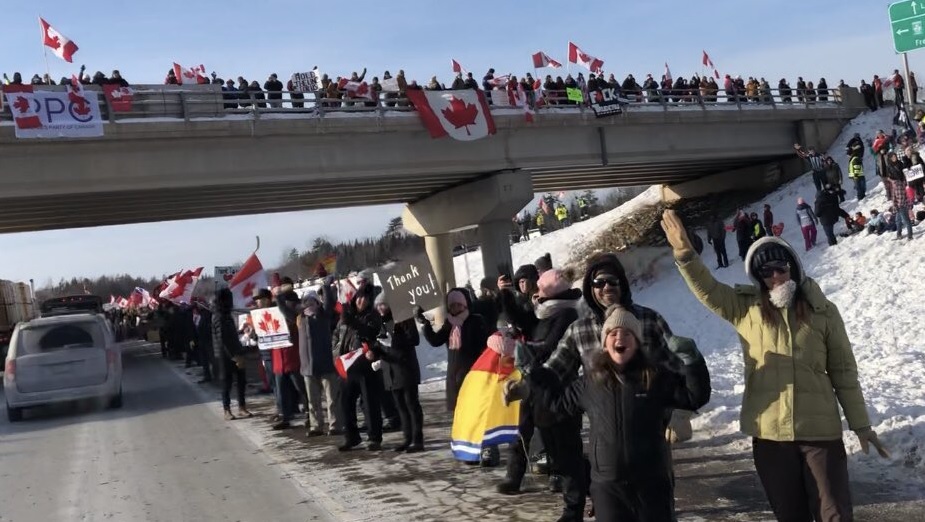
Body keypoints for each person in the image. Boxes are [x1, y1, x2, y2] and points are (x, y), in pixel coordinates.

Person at [661, 210, 889, 522]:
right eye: (766, 272)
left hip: (820, 434)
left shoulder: (822, 311)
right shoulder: (745, 309)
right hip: (770, 436)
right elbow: (708, 289)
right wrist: (686, 256)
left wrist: (861, 425)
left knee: (834, 513)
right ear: (758, 277)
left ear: (793, 266)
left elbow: (844, 373)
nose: (776, 276)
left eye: (781, 267)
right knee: (789, 515)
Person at [506, 306, 710, 522]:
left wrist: (692, 360)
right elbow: (554, 406)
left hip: (652, 482)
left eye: (627, 333)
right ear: (605, 344)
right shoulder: (589, 383)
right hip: (608, 488)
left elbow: (694, 396)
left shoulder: (655, 378)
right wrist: (532, 374)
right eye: (613, 333)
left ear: (638, 343)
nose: (619, 337)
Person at [497, 269, 587, 522]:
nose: (536, 294)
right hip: (535, 384)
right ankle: (515, 476)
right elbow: (518, 318)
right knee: (526, 432)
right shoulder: (542, 313)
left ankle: (577, 503)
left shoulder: (566, 314)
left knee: (566, 451)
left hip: (560, 390)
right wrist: (505, 294)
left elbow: (550, 346)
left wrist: (522, 349)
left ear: (551, 294)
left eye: (540, 290)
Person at [334, 283, 384, 451]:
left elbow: (371, 333)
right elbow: (338, 337)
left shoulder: (373, 316)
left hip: (366, 367)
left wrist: (353, 321)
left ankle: (374, 438)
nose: (361, 301)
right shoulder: (348, 315)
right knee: (344, 402)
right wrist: (335, 352)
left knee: (370, 404)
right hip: (348, 365)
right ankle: (351, 437)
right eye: (359, 297)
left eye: (365, 298)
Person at [373, 294, 424, 453]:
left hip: (405, 368)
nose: (381, 308)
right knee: (400, 406)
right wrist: (375, 353)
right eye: (378, 305)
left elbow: (414, 339)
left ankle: (417, 440)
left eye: (383, 304)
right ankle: (407, 438)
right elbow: (380, 344)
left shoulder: (403, 317)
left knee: (411, 404)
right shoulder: (380, 322)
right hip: (390, 370)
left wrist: (394, 341)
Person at [297, 288, 342, 436]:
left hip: (326, 365)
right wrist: (279, 297)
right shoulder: (300, 319)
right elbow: (285, 310)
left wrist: (326, 287)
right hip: (308, 368)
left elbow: (329, 303)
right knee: (312, 400)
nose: (309, 304)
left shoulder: (323, 315)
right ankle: (316, 426)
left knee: (332, 398)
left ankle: (335, 425)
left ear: (318, 303)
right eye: (306, 302)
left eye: (312, 301)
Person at [212, 288, 252, 421]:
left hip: (236, 350)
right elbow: (223, 339)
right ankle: (227, 410)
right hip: (225, 355)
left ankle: (242, 407)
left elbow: (231, 335)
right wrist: (234, 357)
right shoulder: (218, 316)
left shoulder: (227, 314)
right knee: (226, 383)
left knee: (241, 381)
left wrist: (241, 332)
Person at [191, 303, 213, 383]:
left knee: (209, 358)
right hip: (202, 340)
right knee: (205, 359)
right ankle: (207, 375)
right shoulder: (200, 315)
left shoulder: (206, 314)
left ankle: (210, 375)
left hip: (206, 340)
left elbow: (204, 327)